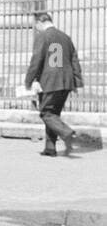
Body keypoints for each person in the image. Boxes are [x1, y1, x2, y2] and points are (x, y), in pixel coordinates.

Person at [25, 11, 83, 156]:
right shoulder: (65, 37)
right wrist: (76, 82)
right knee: (53, 113)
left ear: (39, 22)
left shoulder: (42, 36)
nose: (36, 28)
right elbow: (74, 60)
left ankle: (67, 132)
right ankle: (50, 148)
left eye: (35, 25)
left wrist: (28, 81)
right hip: (66, 81)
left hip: (50, 81)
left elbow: (36, 60)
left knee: (46, 113)